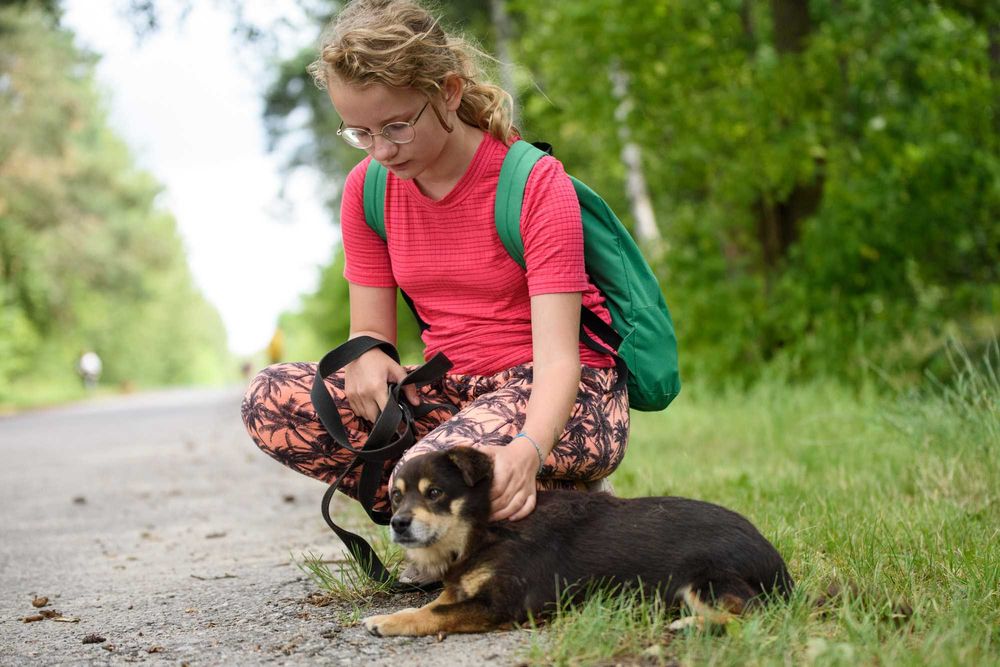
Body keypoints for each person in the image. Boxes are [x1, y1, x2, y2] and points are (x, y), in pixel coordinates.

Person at [241, 0, 628, 540]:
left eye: (396, 126)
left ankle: (538, 493)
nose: (380, 151)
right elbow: (369, 332)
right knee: (271, 400)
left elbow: (561, 359)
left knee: (429, 467)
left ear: (446, 92)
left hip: (567, 396)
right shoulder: (368, 189)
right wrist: (368, 356)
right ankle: (513, 515)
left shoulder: (535, 184)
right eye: (359, 133)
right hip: (454, 395)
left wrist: (529, 448)